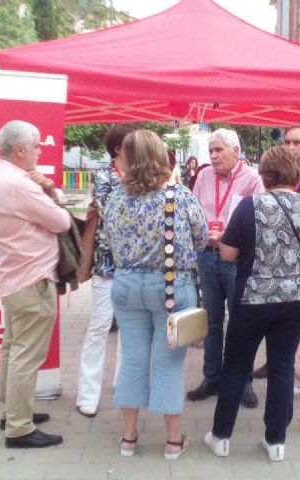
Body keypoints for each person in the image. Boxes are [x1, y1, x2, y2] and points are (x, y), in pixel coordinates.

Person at [203, 146, 300, 462]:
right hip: (298, 299)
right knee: (283, 367)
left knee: (235, 366)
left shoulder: (249, 206)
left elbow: (228, 254)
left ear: (263, 174)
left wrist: (220, 242)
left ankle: (221, 436)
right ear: (296, 174)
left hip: (254, 298)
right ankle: (276, 442)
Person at [104, 129, 208, 460]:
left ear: (129, 158)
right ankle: (173, 441)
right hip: (171, 287)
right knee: (168, 363)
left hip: (126, 286)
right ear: (161, 156)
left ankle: (129, 438)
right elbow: (201, 237)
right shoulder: (180, 196)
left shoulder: (117, 197)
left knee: (132, 359)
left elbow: (110, 239)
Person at [0, 120, 70, 448]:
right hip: (32, 279)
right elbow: (60, 219)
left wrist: (46, 188)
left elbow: (54, 202)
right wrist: (47, 190)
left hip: (14, 276)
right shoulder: (17, 184)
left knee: (12, 348)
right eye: (36, 145)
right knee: (26, 355)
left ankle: (11, 412)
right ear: (20, 150)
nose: (40, 150)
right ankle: (19, 427)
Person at [187, 128, 264, 408]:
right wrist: (202, 232)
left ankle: (242, 381)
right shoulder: (204, 176)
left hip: (236, 258)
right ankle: (212, 377)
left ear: (236, 151)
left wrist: (229, 237)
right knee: (211, 321)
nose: (214, 155)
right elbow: (194, 212)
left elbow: (258, 222)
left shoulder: (252, 179)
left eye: (219, 150)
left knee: (241, 323)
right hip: (207, 256)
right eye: (211, 151)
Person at [253, 126, 300, 400]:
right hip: (276, 262)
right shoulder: (274, 175)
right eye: (287, 142)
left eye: (297, 142)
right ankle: (275, 363)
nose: (291, 146)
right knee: (281, 323)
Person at [75, 124, 136, 418]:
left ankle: (122, 382)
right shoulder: (103, 176)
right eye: (131, 144)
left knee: (129, 328)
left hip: (136, 265)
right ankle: (88, 393)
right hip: (107, 265)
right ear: (117, 149)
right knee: (99, 326)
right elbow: (111, 210)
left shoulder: (141, 175)